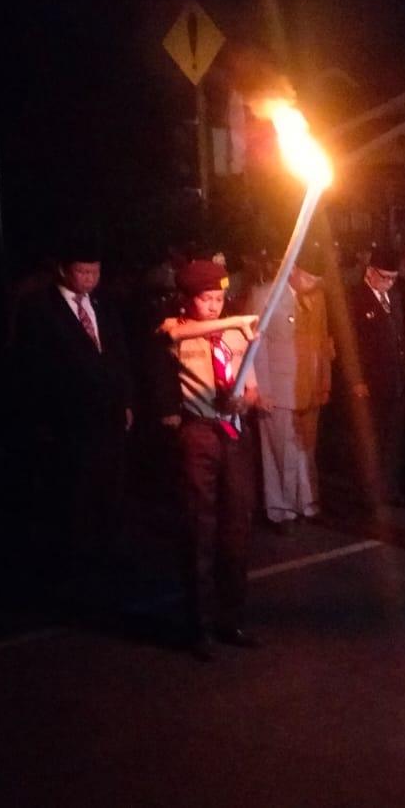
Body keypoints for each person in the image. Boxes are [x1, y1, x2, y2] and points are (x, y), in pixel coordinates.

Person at [153, 260, 261, 659]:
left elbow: (252, 389)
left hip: (232, 433)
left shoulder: (235, 333)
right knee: (200, 527)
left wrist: (244, 401)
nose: (215, 306)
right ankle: (198, 626)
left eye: (219, 298)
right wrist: (238, 323)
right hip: (198, 434)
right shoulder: (176, 329)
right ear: (189, 299)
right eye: (206, 298)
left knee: (237, 528)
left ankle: (230, 619)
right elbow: (179, 332)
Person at [8, 240, 134, 572]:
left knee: (111, 483)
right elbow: (33, 364)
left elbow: (119, 354)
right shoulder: (40, 308)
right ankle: (73, 556)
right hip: (69, 416)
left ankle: (109, 549)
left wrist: (125, 400)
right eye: (82, 271)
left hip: (108, 413)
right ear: (64, 270)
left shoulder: (104, 305)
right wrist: (43, 416)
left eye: (95, 271)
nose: (90, 278)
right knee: (74, 487)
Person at [246, 242, 335, 532]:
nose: (314, 284)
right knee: (278, 452)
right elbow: (258, 347)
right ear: (293, 269)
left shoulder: (317, 297)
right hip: (279, 388)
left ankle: (307, 503)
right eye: (310, 277)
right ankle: (280, 510)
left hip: (308, 385)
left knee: (306, 449)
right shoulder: (265, 296)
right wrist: (262, 390)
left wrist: (324, 380)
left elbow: (323, 341)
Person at [340, 246, 405, 510]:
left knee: (392, 440)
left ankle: (389, 489)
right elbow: (350, 344)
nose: (389, 283)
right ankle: (367, 495)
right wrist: (356, 380)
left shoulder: (395, 298)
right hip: (369, 382)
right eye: (385, 277)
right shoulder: (354, 298)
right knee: (370, 441)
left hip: (395, 381)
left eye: (393, 278)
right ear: (370, 272)